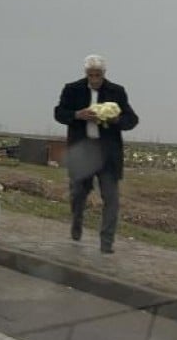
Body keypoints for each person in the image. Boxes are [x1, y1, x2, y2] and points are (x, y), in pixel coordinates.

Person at [53, 55, 139, 254]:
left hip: (108, 155)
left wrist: (115, 119)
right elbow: (59, 113)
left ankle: (106, 242)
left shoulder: (116, 92)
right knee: (78, 194)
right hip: (82, 152)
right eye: (91, 75)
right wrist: (77, 115)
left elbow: (132, 119)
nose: (94, 79)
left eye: (98, 75)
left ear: (104, 74)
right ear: (86, 74)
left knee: (111, 198)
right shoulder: (72, 89)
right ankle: (76, 224)